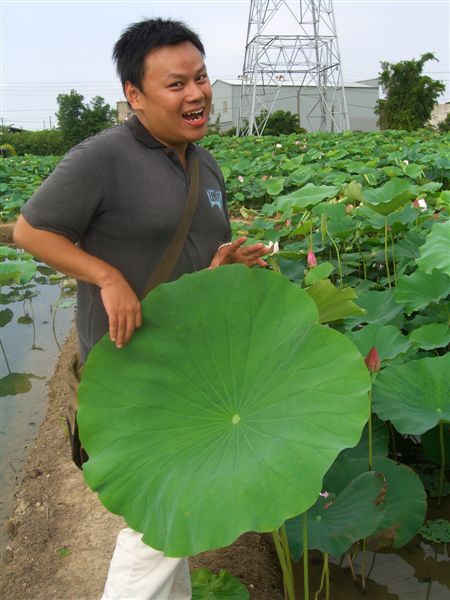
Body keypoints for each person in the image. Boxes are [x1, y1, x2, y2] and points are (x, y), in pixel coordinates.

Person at [14, 17, 272, 600]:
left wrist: (220, 269)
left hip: (190, 365)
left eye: (201, 78)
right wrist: (107, 276)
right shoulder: (101, 157)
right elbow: (30, 231)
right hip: (130, 369)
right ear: (135, 96)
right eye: (176, 84)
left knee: (168, 519)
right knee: (161, 520)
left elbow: (191, 258)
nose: (198, 93)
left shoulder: (206, 165)